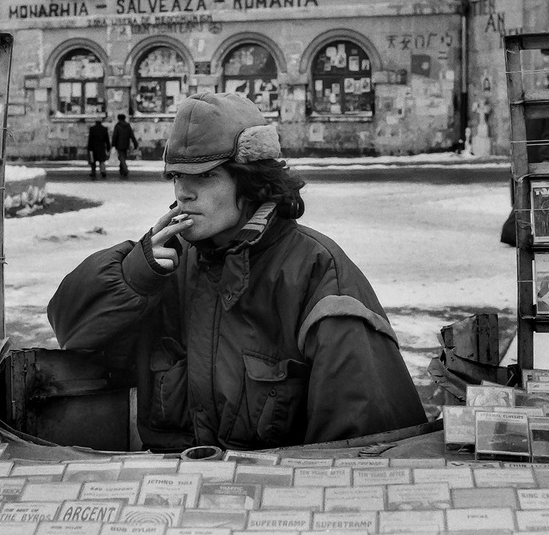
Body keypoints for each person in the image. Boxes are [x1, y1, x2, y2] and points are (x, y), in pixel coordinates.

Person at [48, 92, 428, 452]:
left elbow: (365, 449)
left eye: (204, 176)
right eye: (176, 177)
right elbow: (70, 331)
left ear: (249, 181)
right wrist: (133, 277)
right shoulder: (163, 266)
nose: (184, 193)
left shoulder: (315, 272)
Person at [111, 114, 139, 180]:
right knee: (123, 157)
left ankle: (125, 169)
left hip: (119, 144)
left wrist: (113, 144)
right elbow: (132, 135)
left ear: (118, 118)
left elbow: (115, 136)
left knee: (121, 157)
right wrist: (135, 144)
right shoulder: (128, 126)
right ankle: (122, 171)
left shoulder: (117, 126)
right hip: (126, 144)